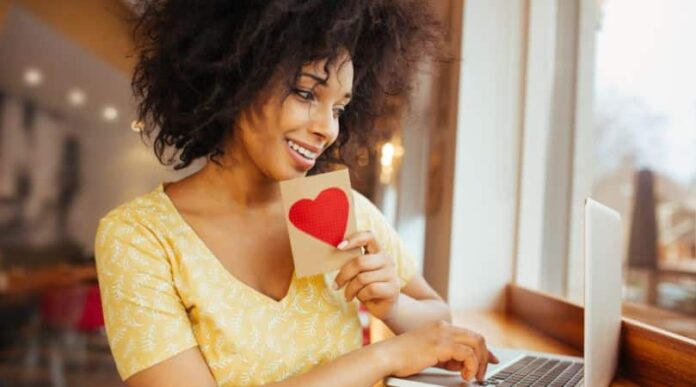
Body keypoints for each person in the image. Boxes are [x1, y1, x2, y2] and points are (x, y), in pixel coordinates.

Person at [94, 1, 499, 386]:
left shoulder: (341, 211)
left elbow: (437, 320)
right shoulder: (139, 238)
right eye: (306, 94)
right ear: (237, 77)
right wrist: (385, 356)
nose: (328, 128)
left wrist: (392, 304)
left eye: (339, 108)